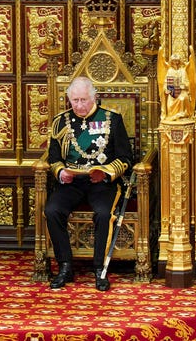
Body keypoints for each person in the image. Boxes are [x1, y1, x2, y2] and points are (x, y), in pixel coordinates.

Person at [44, 76, 133, 291]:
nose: (79, 105)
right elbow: (53, 157)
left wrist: (105, 173)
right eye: (75, 100)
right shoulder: (60, 122)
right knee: (52, 210)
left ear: (94, 98)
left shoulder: (112, 119)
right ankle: (65, 266)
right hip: (72, 182)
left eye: (84, 100)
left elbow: (126, 158)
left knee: (103, 214)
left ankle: (99, 269)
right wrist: (61, 171)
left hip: (102, 183)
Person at [157, 46, 196, 121]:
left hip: (182, 91)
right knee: (170, 101)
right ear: (171, 62)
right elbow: (166, 83)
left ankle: (183, 115)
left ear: (179, 61)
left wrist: (182, 86)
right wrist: (166, 89)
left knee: (183, 98)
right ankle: (172, 115)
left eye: (177, 61)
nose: (176, 63)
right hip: (172, 92)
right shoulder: (170, 71)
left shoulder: (183, 71)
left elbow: (187, 83)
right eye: (174, 61)